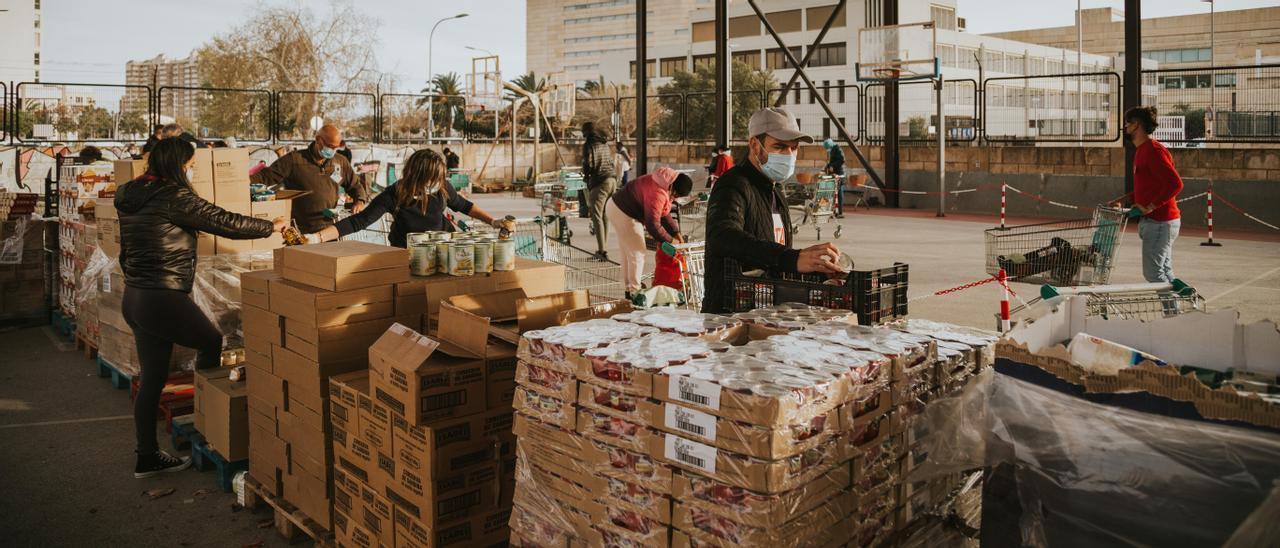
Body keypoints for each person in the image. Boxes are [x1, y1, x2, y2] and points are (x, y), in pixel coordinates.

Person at [113, 138, 284, 478]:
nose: (191, 169)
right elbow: (222, 221)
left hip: (135, 295)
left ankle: (146, 456)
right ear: (179, 164)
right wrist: (269, 226)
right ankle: (210, 426)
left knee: (153, 378)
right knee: (210, 341)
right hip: (162, 296)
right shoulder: (173, 196)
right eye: (190, 163)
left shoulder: (129, 193)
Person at [702, 108, 843, 314]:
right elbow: (722, 235)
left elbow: (773, 250)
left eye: (794, 148)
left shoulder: (775, 190)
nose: (789, 155)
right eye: (779, 146)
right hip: (730, 313)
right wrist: (791, 258)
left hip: (766, 311)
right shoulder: (733, 183)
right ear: (754, 145)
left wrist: (814, 266)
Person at [304, 149, 512, 247]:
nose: (438, 182)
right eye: (433, 178)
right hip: (406, 254)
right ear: (419, 176)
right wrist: (317, 237)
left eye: (439, 177)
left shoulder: (442, 188)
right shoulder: (396, 194)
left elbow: (464, 206)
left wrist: (493, 221)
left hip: (442, 248)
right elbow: (360, 220)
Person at [249, 124, 369, 233]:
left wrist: (360, 200)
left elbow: (355, 185)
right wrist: (242, 182)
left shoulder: (340, 162)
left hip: (329, 228)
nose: (332, 151)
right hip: (301, 229)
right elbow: (267, 176)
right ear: (318, 140)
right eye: (329, 146)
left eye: (335, 148)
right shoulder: (294, 160)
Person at [606, 167, 693, 297]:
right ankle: (635, 292)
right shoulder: (658, 193)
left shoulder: (663, 181)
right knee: (638, 252)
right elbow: (653, 224)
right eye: (676, 195)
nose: (674, 198)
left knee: (628, 252)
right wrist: (671, 240)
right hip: (624, 212)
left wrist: (676, 233)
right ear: (673, 188)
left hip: (615, 206)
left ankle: (629, 289)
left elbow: (664, 214)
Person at [1123, 106, 1184, 284]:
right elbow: (1149, 186)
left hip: (1160, 222)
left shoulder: (1153, 151)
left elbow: (1175, 183)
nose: (1125, 127)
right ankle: (1182, 307)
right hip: (1157, 222)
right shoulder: (1142, 150)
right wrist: (1125, 199)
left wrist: (1150, 207)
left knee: (1153, 274)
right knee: (1164, 271)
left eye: (1127, 123)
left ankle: (1174, 311)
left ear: (1136, 125)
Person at [581, 121, 618, 261]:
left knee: (596, 216)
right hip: (612, 180)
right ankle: (604, 248)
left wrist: (586, 176)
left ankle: (602, 252)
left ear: (586, 132)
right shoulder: (604, 143)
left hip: (600, 181)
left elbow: (588, 163)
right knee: (605, 215)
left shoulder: (589, 145)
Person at [822, 139, 846, 218]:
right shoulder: (833, 150)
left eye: (827, 147)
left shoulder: (837, 149)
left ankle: (840, 212)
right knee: (834, 193)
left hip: (839, 174)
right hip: (835, 173)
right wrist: (827, 167)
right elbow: (833, 161)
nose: (827, 150)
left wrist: (833, 166)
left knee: (839, 193)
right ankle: (834, 211)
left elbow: (842, 160)